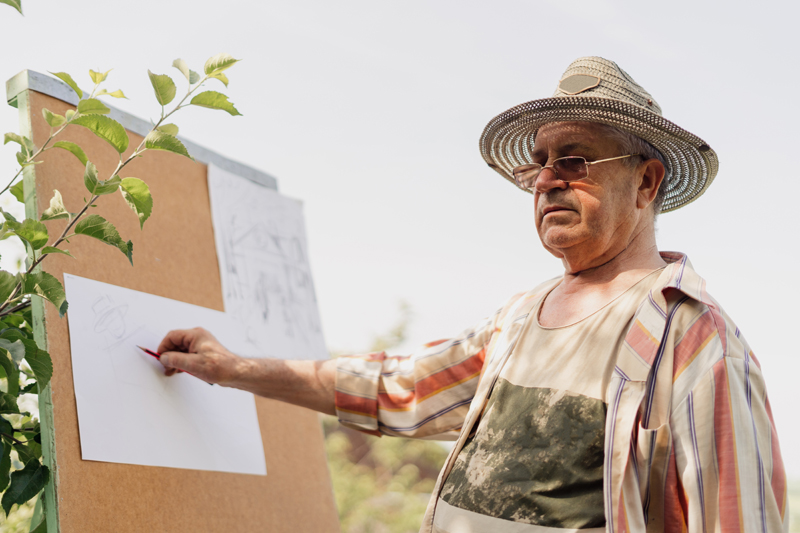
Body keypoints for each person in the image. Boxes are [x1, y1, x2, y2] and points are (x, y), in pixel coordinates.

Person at [157, 57, 788, 532]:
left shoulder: (694, 342)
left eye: (574, 160)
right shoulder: (519, 320)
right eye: (539, 162)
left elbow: (739, 517)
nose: (546, 180)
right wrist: (231, 369)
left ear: (646, 182)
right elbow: (394, 388)